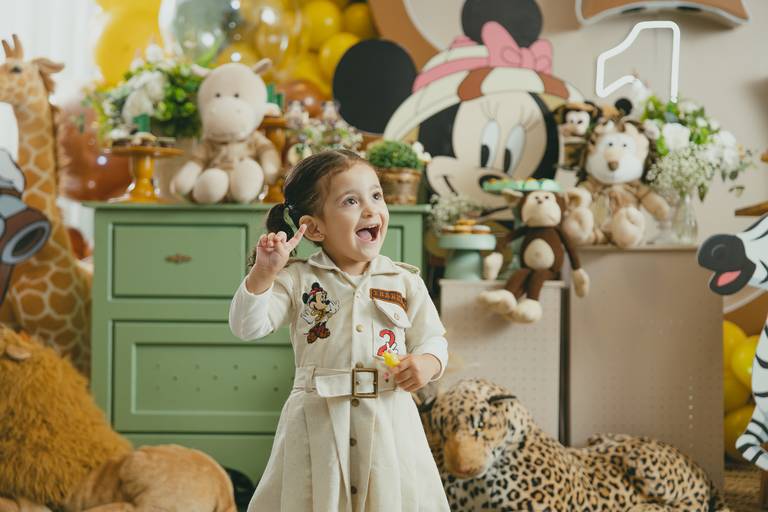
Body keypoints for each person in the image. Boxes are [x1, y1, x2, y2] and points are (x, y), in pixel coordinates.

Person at [229, 149, 450, 511]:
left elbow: (433, 339)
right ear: (315, 227)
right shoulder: (297, 278)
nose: (371, 210)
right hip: (317, 426)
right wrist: (263, 274)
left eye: (376, 195)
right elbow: (247, 327)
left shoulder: (404, 281)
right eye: (351, 201)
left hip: (389, 424)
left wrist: (427, 363)